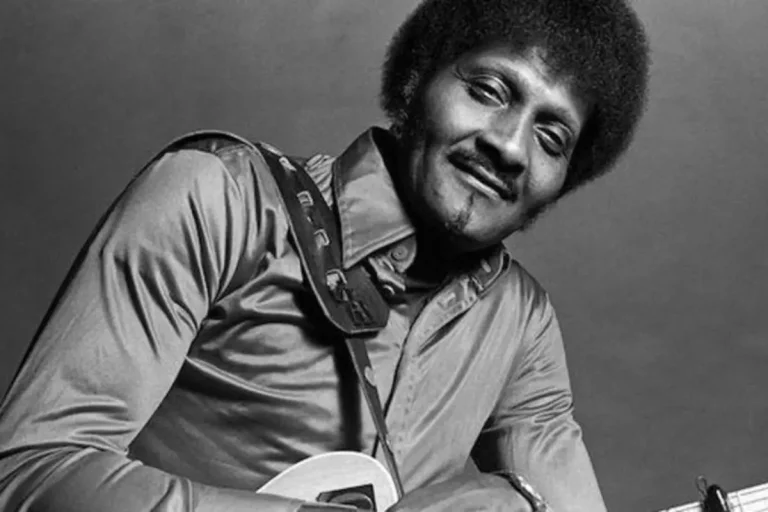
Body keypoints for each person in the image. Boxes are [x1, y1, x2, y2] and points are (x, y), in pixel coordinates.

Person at [0, 0, 650, 510]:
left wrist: (524, 500)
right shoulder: (216, 197)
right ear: (419, 77)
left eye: (551, 135)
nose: (511, 145)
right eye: (488, 91)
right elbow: (32, 469)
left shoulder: (522, 324)